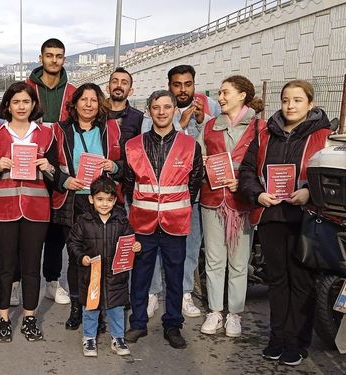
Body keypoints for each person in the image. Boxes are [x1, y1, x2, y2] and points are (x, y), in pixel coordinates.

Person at [239, 80, 332, 366]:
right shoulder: (265, 135)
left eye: (297, 100)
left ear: (310, 104)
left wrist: (309, 193)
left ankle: (297, 342)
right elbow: (246, 171)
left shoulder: (325, 136)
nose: (290, 105)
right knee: (277, 281)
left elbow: (333, 177)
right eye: (285, 100)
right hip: (272, 217)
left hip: (306, 218)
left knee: (301, 280)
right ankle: (277, 338)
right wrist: (258, 194)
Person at [124, 90, 203, 349]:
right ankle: (137, 323)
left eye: (167, 107)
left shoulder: (191, 145)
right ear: (148, 110)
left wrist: (175, 207)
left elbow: (194, 183)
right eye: (156, 107)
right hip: (142, 222)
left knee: (175, 275)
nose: (161, 112)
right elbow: (128, 183)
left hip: (175, 222)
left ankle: (173, 324)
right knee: (140, 276)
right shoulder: (133, 145)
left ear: (174, 111)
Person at [0, 82, 59, 342]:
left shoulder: (47, 135)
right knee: (4, 266)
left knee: (31, 266)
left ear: (33, 105)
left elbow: (55, 177)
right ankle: (3, 318)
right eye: (16, 102)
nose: (21, 106)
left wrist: (48, 166)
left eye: (26, 102)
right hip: (2, 210)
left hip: (36, 211)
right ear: (8, 106)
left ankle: (29, 317)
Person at [142, 64, 221, 320]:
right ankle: (153, 293)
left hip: (191, 196)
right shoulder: (161, 108)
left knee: (189, 245)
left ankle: (185, 292)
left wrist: (201, 122)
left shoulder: (210, 108)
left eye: (188, 84)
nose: (183, 89)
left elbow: (217, 144)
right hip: (159, 197)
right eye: (177, 84)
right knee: (153, 249)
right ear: (169, 86)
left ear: (194, 84)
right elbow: (146, 144)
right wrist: (183, 123)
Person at [197, 76, 266, 338]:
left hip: (243, 202)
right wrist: (202, 162)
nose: (220, 98)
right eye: (219, 93)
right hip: (213, 200)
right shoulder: (211, 126)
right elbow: (199, 158)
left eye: (225, 93)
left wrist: (246, 182)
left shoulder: (261, 127)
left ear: (242, 95)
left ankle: (234, 314)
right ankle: (215, 311)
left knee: (239, 262)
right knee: (214, 260)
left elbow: (264, 165)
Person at [51, 83, 122, 331]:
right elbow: (49, 166)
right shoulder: (60, 130)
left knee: (102, 258)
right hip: (72, 201)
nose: (89, 104)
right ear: (75, 103)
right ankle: (76, 308)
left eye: (94, 100)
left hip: (102, 202)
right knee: (76, 258)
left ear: (99, 103)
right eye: (84, 99)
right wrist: (64, 180)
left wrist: (114, 167)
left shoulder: (110, 129)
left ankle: (98, 309)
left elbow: (124, 162)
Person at [26, 38, 76, 306]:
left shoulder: (73, 91)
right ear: (41, 57)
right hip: (29, 164)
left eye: (59, 56)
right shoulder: (26, 88)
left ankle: (52, 281)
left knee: (56, 227)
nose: (54, 60)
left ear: (64, 60)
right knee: (27, 227)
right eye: (49, 55)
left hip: (60, 164)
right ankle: (17, 281)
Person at [66, 176, 140, 357]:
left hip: (116, 276)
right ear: (91, 199)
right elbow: (72, 243)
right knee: (91, 308)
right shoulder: (83, 221)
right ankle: (89, 338)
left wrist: (135, 247)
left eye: (109, 200)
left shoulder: (121, 221)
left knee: (116, 308)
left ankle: (118, 337)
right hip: (91, 275)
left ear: (115, 200)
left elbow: (129, 242)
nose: (104, 204)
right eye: (100, 199)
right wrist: (81, 257)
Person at [106, 67, 143, 147]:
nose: (119, 85)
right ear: (108, 89)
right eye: (115, 82)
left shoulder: (139, 118)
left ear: (130, 91)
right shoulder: (96, 113)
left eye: (124, 83)